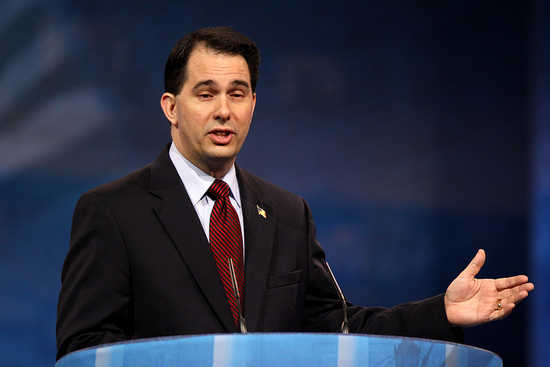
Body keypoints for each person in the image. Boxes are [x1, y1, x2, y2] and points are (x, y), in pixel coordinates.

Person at [56, 26, 534, 360]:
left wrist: (441, 312)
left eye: (238, 93)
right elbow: (85, 349)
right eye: (206, 93)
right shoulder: (113, 212)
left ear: (253, 105)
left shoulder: (286, 214)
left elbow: (340, 331)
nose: (224, 110)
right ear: (171, 107)